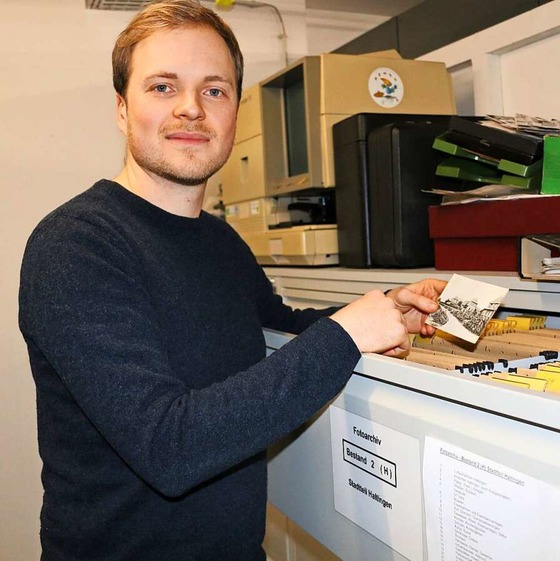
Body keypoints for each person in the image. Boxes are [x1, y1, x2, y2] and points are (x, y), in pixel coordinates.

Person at [18, 1, 446, 560]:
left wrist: (386, 311)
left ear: (234, 113)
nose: (192, 109)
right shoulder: (75, 245)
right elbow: (168, 446)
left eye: (214, 90)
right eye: (164, 87)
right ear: (122, 110)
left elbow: (278, 328)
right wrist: (344, 336)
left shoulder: (218, 240)